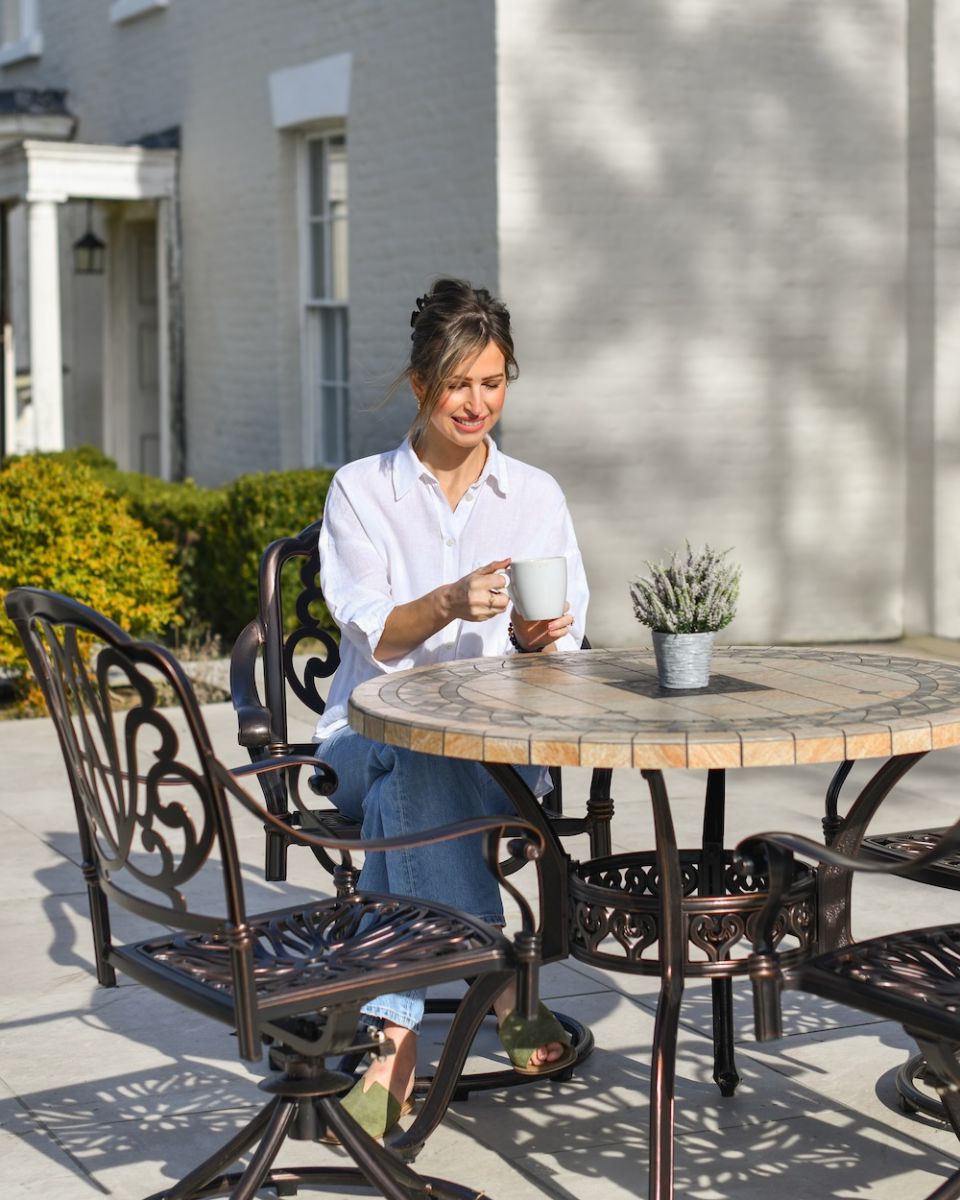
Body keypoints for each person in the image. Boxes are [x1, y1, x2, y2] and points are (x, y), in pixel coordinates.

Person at [315, 277, 589, 1138]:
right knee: (411, 750)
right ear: (420, 382)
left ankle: (392, 1033)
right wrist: (446, 602)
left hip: (500, 752)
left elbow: (562, 659)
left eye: (495, 382)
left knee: (416, 780)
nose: (478, 404)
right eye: (459, 382)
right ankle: (503, 984)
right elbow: (381, 640)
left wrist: (542, 638)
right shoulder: (361, 491)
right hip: (360, 742)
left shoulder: (535, 495)